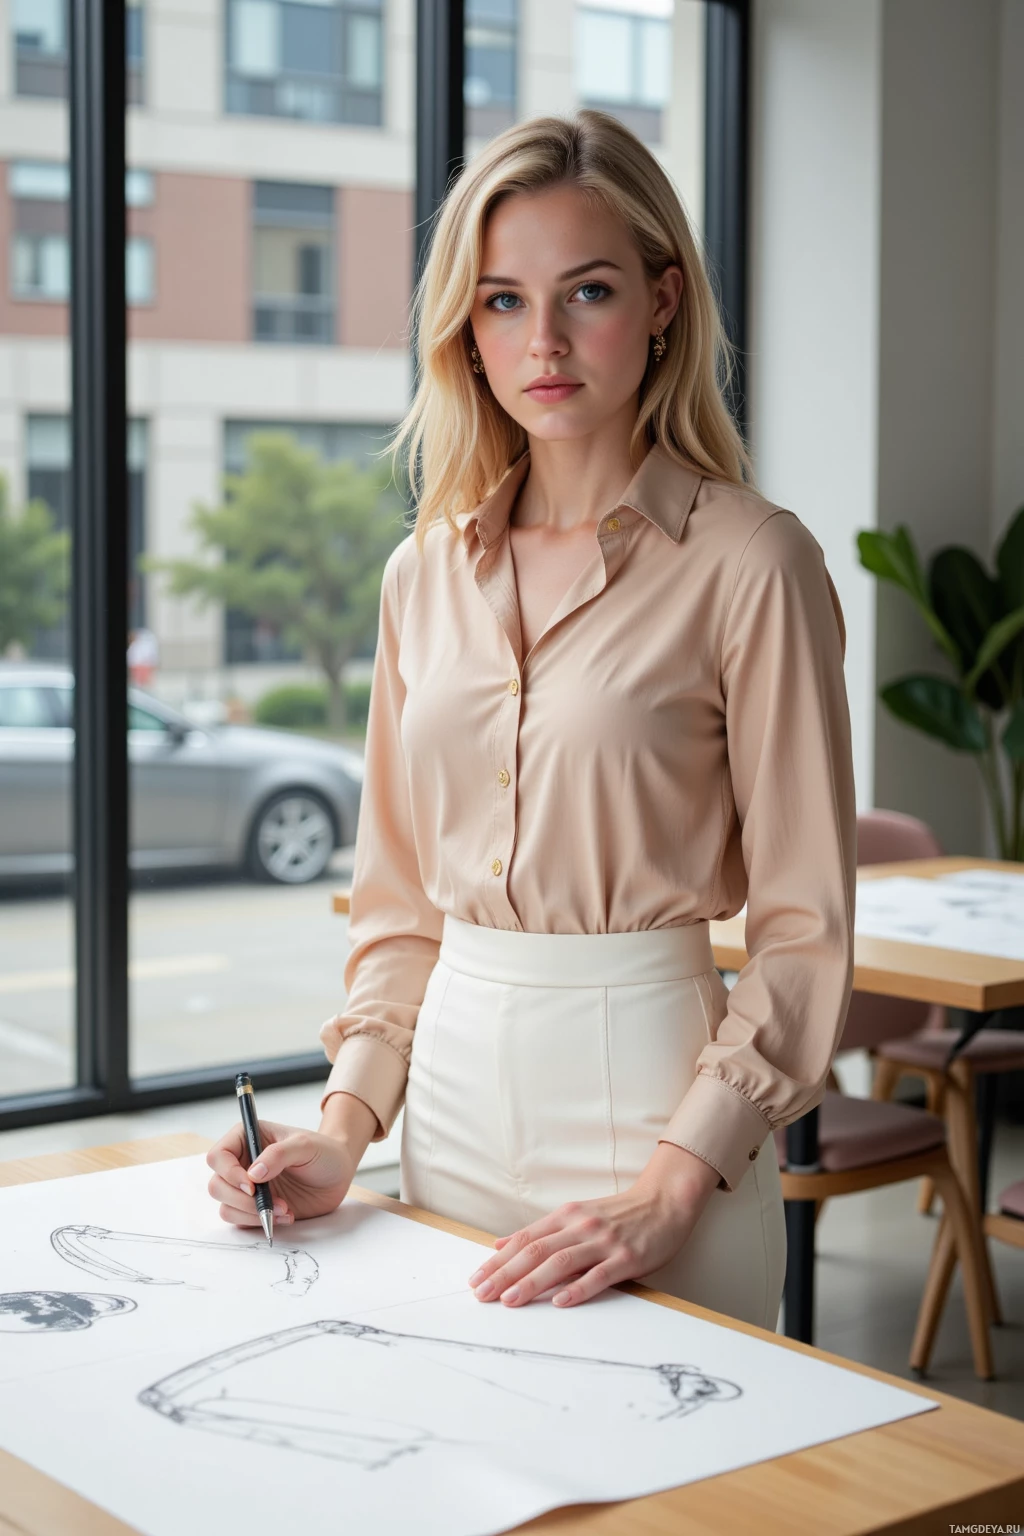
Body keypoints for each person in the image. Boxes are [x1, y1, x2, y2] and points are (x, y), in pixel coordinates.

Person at [206, 110, 856, 1332]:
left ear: (662, 302)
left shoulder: (751, 563)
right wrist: (344, 1128)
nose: (541, 339)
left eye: (587, 291)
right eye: (501, 300)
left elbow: (803, 930)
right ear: (464, 325)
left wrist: (673, 1187)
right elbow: (400, 913)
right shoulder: (423, 574)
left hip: (658, 1110)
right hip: (449, 1103)